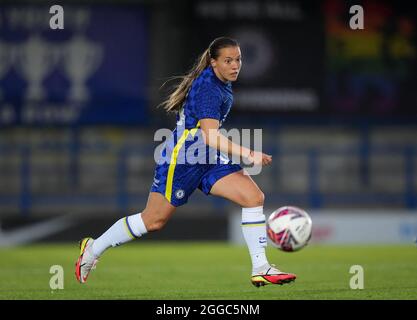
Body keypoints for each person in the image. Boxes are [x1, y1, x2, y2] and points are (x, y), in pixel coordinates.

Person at [75, 37, 296, 287]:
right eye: (228, 61)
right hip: (182, 161)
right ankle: (93, 249)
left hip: (208, 159)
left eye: (238, 59)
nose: (235, 65)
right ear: (213, 63)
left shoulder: (221, 82)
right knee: (154, 221)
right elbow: (211, 137)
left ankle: (261, 267)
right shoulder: (210, 89)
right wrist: (248, 153)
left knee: (253, 197)